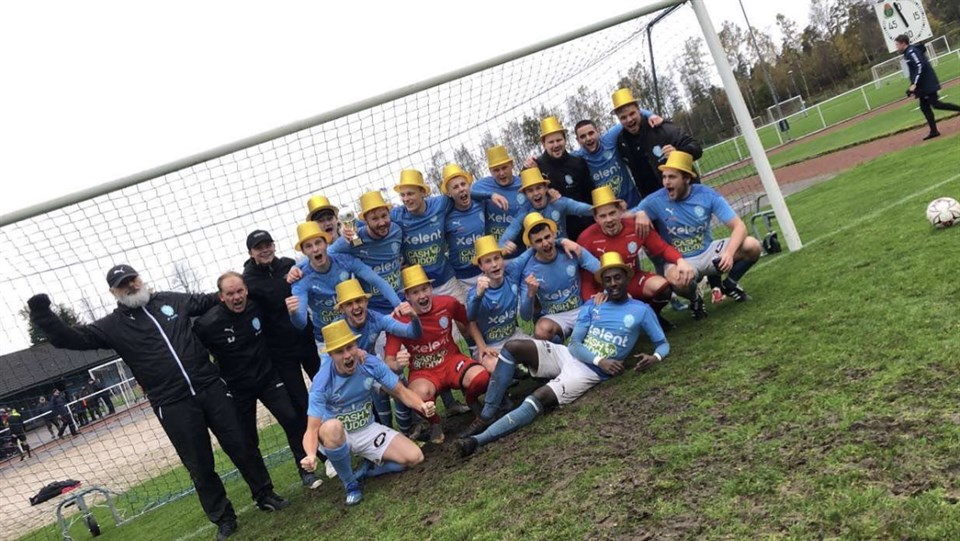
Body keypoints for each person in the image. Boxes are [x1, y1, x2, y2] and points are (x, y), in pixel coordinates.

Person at [28, 264, 288, 540]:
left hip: (210, 387)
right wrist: (43, 314)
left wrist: (269, 282)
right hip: (172, 402)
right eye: (123, 283)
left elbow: (214, 298)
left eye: (132, 279)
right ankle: (224, 518)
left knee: (242, 444)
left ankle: (265, 494)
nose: (130, 285)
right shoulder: (112, 326)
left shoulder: (171, 300)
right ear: (113, 292)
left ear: (140, 279)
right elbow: (70, 338)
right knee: (199, 465)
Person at [455, 251, 669, 454]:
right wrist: (600, 360)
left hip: (587, 373)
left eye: (617, 278)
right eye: (608, 279)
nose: (613, 284)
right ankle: (486, 416)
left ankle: (477, 440)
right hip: (571, 355)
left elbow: (662, 343)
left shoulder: (641, 310)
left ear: (627, 278)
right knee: (513, 347)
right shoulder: (593, 305)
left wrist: (655, 357)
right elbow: (574, 345)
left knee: (537, 398)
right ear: (602, 283)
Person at [194, 271, 322, 490]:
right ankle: (265, 491)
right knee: (247, 439)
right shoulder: (208, 323)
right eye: (230, 294)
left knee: (292, 418)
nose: (237, 297)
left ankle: (306, 471)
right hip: (237, 388)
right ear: (221, 296)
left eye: (240, 291)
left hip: (267, 378)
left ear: (246, 290)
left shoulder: (256, 307)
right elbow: (194, 351)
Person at [300, 320, 435, 506]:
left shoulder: (370, 363)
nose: (347, 355)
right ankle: (350, 483)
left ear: (357, 345)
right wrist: (310, 455)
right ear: (330, 355)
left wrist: (422, 405)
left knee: (415, 457)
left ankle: (369, 471)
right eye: (339, 351)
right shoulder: (322, 381)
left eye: (350, 347)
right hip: (338, 435)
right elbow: (312, 429)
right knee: (332, 427)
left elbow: (401, 391)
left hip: (366, 428)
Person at [633, 151, 762, 319]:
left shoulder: (707, 195)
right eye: (664, 177)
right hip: (679, 260)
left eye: (672, 177)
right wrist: (639, 213)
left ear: (687, 178)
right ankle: (695, 299)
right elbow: (626, 217)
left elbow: (739, 227)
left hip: (708, 252)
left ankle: (729, 284)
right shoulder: (655, 200)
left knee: (752, 245)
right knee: (677, 280)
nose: (666, 182)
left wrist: (729, 254)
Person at [383, 265, 491, 444]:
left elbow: (467, 321)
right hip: (423, 372)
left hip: (451, 361)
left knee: (481, 378)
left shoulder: (447, 303)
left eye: (424, 289)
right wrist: (398, 365)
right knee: (416, 396)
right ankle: (435, 423)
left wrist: (481, 346)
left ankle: (472, 402)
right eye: (415, 292)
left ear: (431, 288)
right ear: (407, 296)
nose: (422, 296)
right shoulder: (398, 319)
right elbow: (389, 361)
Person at [577, 185, 697, 329]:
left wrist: (680, 261)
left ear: (620, 211)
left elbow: (663, 248)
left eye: (612, 213)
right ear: (596, 218)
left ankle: (653, 316)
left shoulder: (635, 226)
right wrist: (592, 301)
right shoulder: (586, 238)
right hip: (607, 289)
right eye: (603, 216)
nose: (609, 219)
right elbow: (585, 278)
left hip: (632, 280)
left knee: (662, 288)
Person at [391, 168, 507, 304]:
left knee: (466, 313)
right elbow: (376, 222)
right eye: (403, 195)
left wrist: (490, 195)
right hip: (419, 285)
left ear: (423, 192)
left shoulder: (441, 204)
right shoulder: (396, 215)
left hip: (446, 279)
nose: (406, 199)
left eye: (410, 194)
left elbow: (463, 194)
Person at [242, 229, 320, 420]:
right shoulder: (248, 281)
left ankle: (341, 429)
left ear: (273, 245)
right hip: (280, 351)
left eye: (268, 245)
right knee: (300, 399)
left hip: (306, 339)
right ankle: (312, 436)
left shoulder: (289, 265)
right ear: (251, 253)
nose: (265, 250)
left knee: (323, 386)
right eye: (259, 248)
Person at [286, 222, 402, 350]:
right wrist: (293, 313)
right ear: (303, 251)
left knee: (376, 360)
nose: (315, 249)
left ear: (326, 244)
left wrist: (398, 304)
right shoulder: (301, 280)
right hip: (328, 337)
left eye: (318, 243)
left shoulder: (344, 261)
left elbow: (377, 281)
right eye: (308, 246)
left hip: (357, 328)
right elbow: (301, 323)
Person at [334, 278, 422, 433]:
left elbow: (413, 333)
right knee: (386, 389)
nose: (356, 307)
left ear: (366, 301)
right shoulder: (337, 328)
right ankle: (390, 433)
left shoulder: (375, 318)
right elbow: (331, 360)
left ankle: (406, 432)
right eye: (349, 304)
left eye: (359, 301)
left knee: (396, 380)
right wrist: (353, 353)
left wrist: (414, 317)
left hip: (370, 366)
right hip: (348, 378)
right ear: (342, 309)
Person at [518, 212, 601, 343]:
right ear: (531, 245)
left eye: (547, 237)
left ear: (554, 234)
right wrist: (530, 295)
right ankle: (560, 345)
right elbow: (525, 316)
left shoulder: (570, 249)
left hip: (582, 308)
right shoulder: (529, 271)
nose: (545, 243)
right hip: (555, 317)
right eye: (538, 241)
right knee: (541, 331)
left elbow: (599, 268)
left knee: (608, 312)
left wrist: (605, 292)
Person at [612, 88, 703, 200]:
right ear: (618, 119)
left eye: (632, 113)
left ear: (639, 110)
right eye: (623, 117)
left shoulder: (661, 127)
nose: (629, 119)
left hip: (686, 195)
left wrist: (678, 152)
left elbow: (697, 149)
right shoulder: (621, 142)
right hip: (656, 203)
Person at [328, 191, 404, 315]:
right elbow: (325, 254)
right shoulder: (353, 239)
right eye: (374, 219)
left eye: (384, 216)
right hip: (373, 308)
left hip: (399, 298)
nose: (381, 222)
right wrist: (297, 268)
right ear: (365, 220)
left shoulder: (396, 231)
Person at [572, 112, 661, 209]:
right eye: (583, 136)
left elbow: (634, 112)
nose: (588, 138)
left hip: (632, 199)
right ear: (577, 140)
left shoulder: (609, 139)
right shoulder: (577, 158)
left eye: (591, 133)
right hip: (609, 207)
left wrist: (651, 115)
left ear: (597, 131)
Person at [496, 167, 593, 254]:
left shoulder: (559, 202)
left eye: (538, 188)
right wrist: (505, 245)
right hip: (538, 261)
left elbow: (586, 209)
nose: (535, 193)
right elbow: (506, 237)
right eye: (530, 190)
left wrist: (600, 210)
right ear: (525, 194)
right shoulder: (524, 212)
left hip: (564, 254)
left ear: (546, 188)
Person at [531, 116, 595, 240]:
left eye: (559, 140)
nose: (556, 145)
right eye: (551, 142)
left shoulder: (578, 162)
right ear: (543, 144)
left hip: (586, 225)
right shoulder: (536, 167)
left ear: (565, 140)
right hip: (557, 232)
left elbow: (590, 193)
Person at [896, 34, 960, 140]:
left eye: (897, 45)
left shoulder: (911, 52)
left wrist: (914, 84)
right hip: (922, 85)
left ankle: (935, 130)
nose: (896, 47)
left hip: (927, 84)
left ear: (903, 43)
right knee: (924, 107)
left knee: (936, 104)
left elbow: (920, 66)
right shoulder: (908, 53)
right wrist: (913, 86)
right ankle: (934, 131)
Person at [441, 163, 486, 291]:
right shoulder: (445, 216)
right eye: (455, 187)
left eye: (463, 184)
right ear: (449, 193)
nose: (461, 189)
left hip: (485, 270)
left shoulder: (482, 204)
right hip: (461, 278)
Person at [471, 145, 525, 244]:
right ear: (490, 171)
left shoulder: (523, 185)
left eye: (504, 168)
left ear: (512, 165)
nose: (501, 173)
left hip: (518, 247)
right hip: (492, 249)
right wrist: (491, 195)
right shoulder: (483, 185)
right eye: (496, 170)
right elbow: (466, 193)